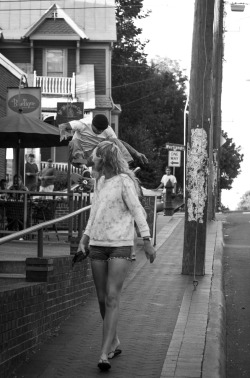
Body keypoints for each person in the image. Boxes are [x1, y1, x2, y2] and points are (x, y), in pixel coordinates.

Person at [76, 140, 156, 371]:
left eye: (95, 156)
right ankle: (115, 340)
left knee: (112, 298)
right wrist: (84, 238)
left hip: (120, 245)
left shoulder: (124, 181)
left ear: (105, 158)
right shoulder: (100, 182)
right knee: (102, 299)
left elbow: (137, 211)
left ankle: (104, 354)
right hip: (98, 246)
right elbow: (94, 213)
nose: (92, 159)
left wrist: (147, 241)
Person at [59, 114, 148, 169]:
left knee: (113, 141)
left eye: (102, 130)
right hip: (77, 158)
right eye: (97, 129)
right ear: (92, 124)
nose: (99, 132)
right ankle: (83, 169)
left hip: (92, 158)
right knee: (74, 142)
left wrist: (136, 153)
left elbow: (120, 143)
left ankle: (125, 167)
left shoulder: (108, 130)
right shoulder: (83, 124)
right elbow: (63, 126)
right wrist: (63, 133)